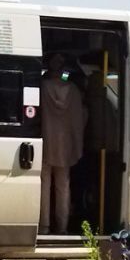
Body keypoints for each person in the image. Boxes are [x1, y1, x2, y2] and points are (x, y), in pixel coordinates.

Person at [40, 52, 86, 235]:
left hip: (45, 145)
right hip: (66, 147)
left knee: (44, 185)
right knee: (63, 187)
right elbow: (79, 119)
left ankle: (43, 227)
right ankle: (63, 227)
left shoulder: (42, 87)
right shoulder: (74, 91)